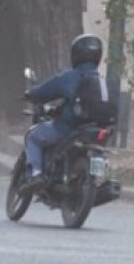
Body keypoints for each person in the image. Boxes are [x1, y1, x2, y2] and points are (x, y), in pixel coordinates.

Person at [21, 33, 105, 194]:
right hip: (96, 130)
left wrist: (30, 94)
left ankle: (36, 175)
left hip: (68, 129)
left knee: (33, 137)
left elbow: (45, 91)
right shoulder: (102, 80)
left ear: (76, 54)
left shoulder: (71, 77)